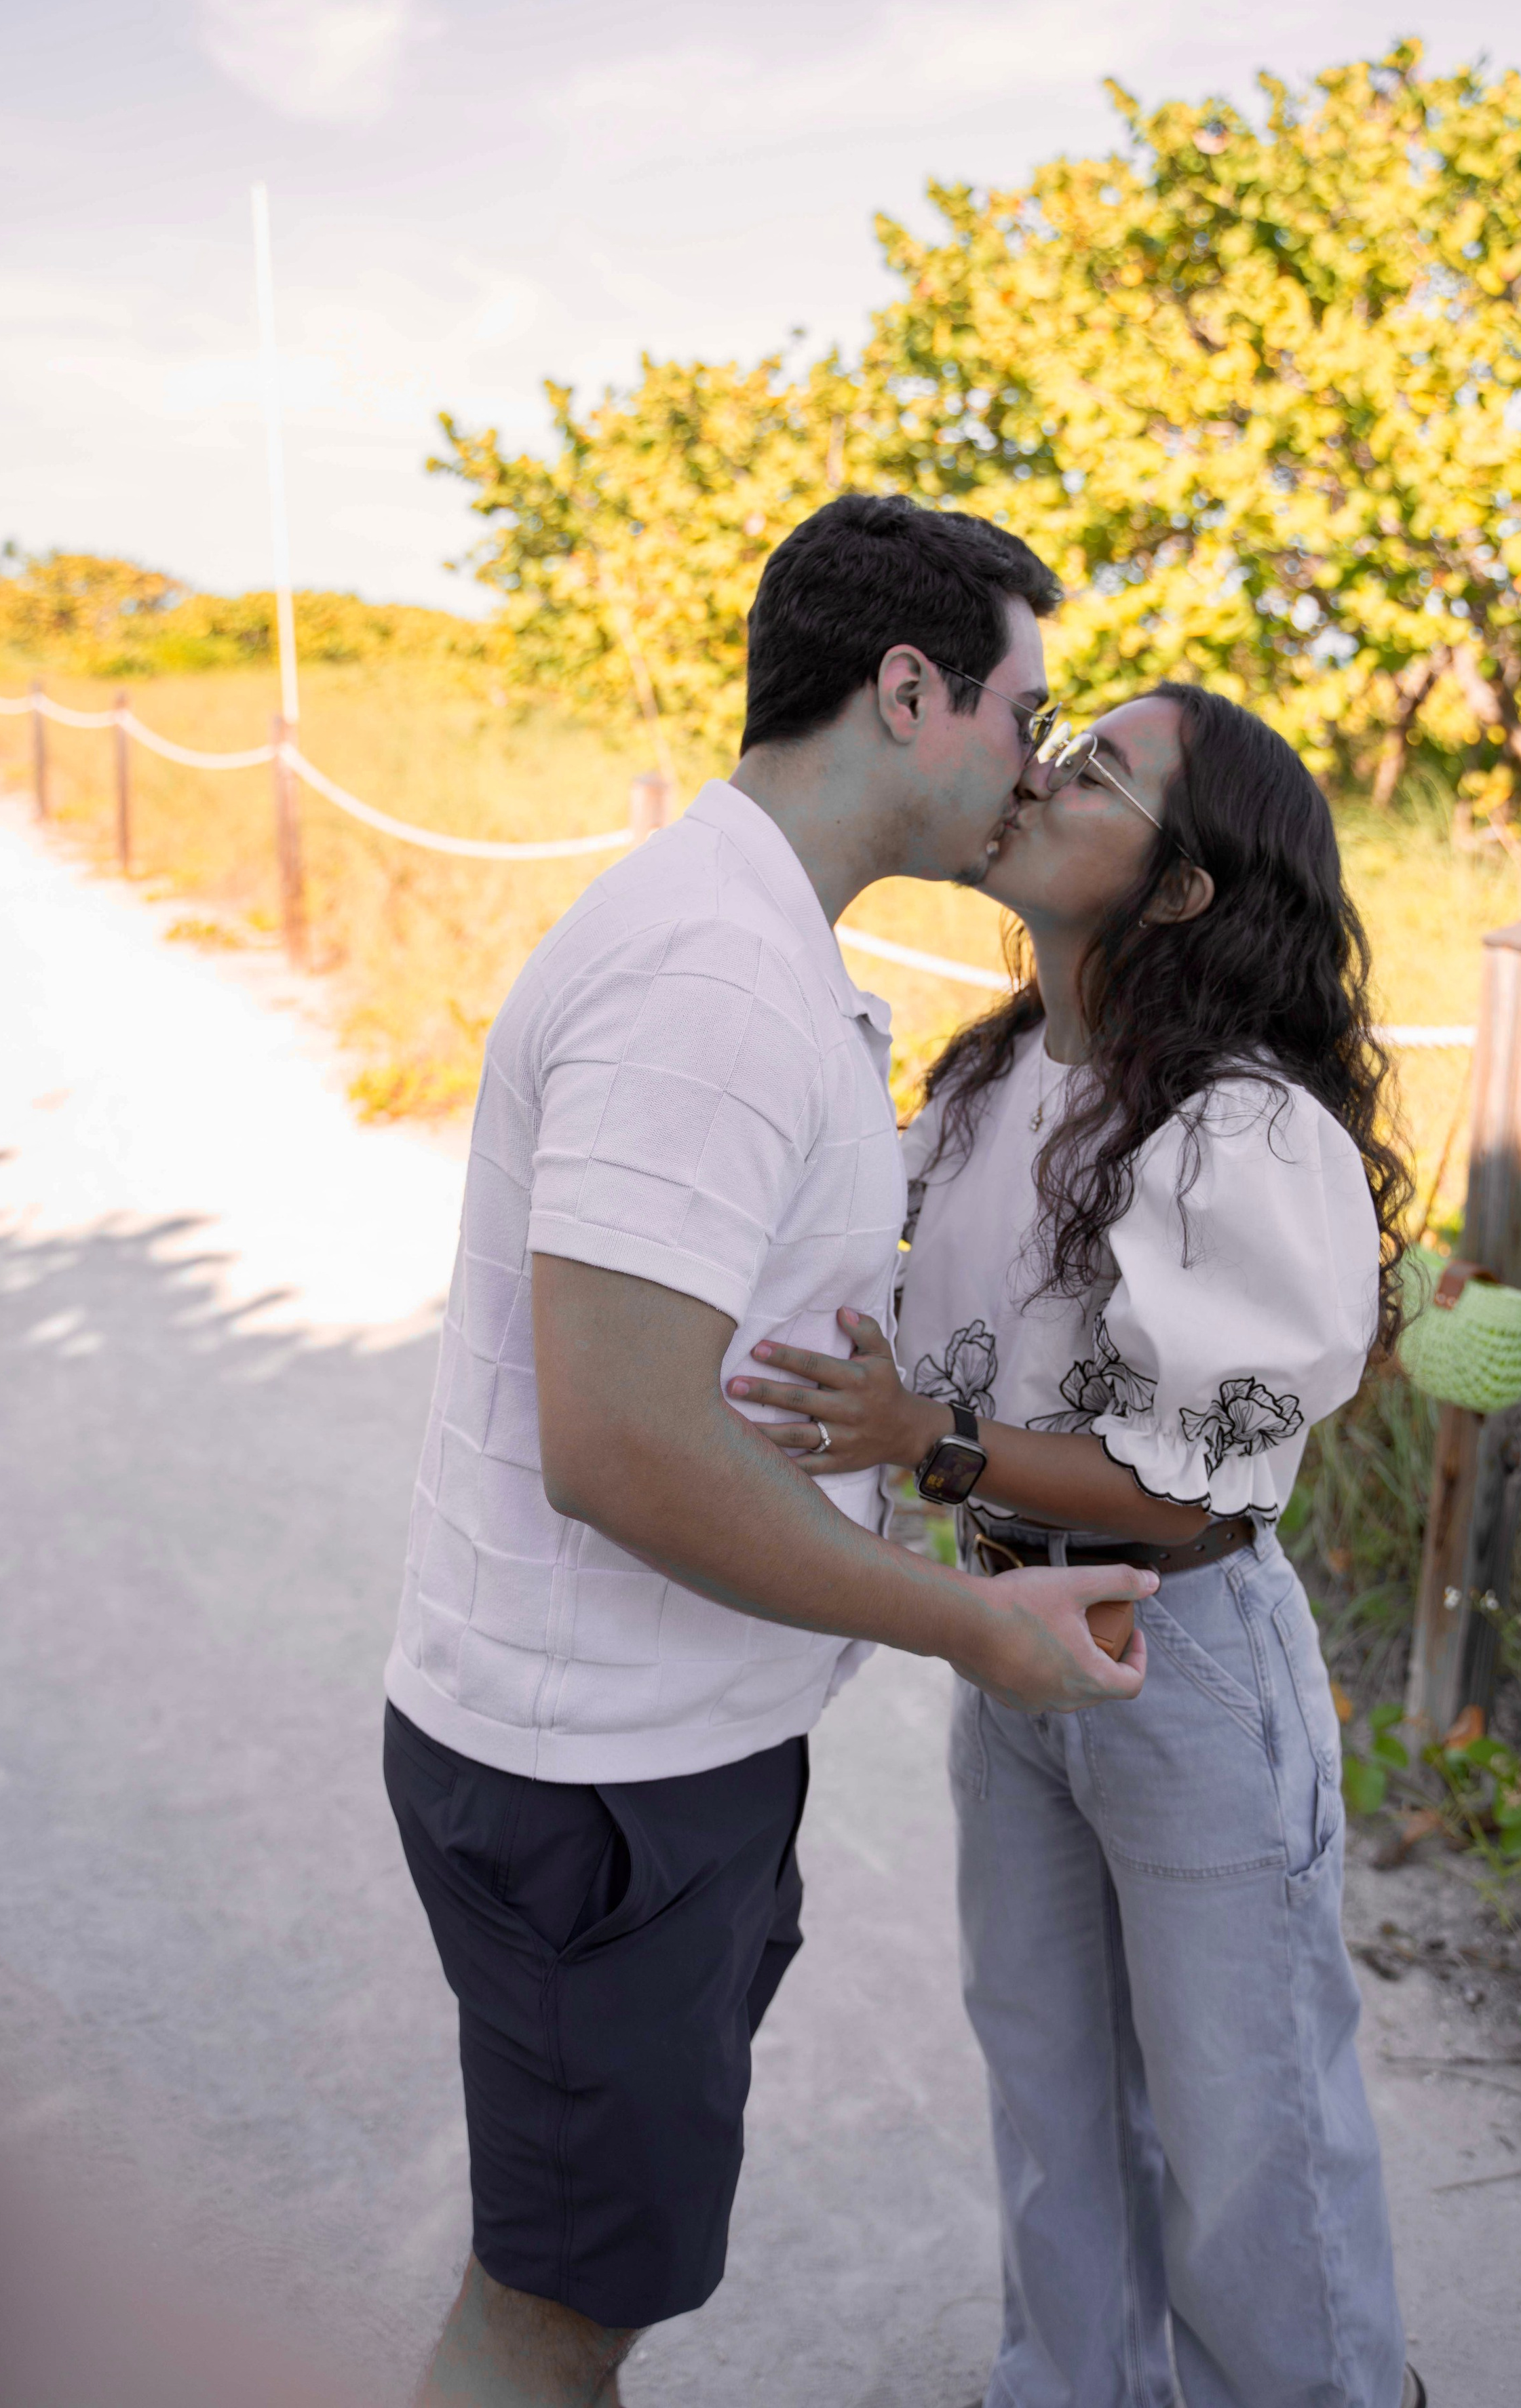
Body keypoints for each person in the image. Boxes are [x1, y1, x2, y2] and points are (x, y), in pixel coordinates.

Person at [381, 493, 1161, 2408]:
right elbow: (622, 1444)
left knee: (589, 2290)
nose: (1037, 764)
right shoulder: (711, 979)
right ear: (912, 691)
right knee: (548, 2314)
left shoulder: (746, 934)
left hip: (652, 1757)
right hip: (600, 1782)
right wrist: (965, 1622)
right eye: (1024, 710)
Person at [725, 683, 1423, 2407]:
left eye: (1095, 767)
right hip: (1009, 1633)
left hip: (1175, 1651)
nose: (1038, 768)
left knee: (1238, 2099)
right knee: (1043, 2068)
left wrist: (930, 1443)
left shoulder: (1240, 1129)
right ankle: (1073, 2384)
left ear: (1181, 888)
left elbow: (1191, 1484)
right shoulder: (982, 1080)